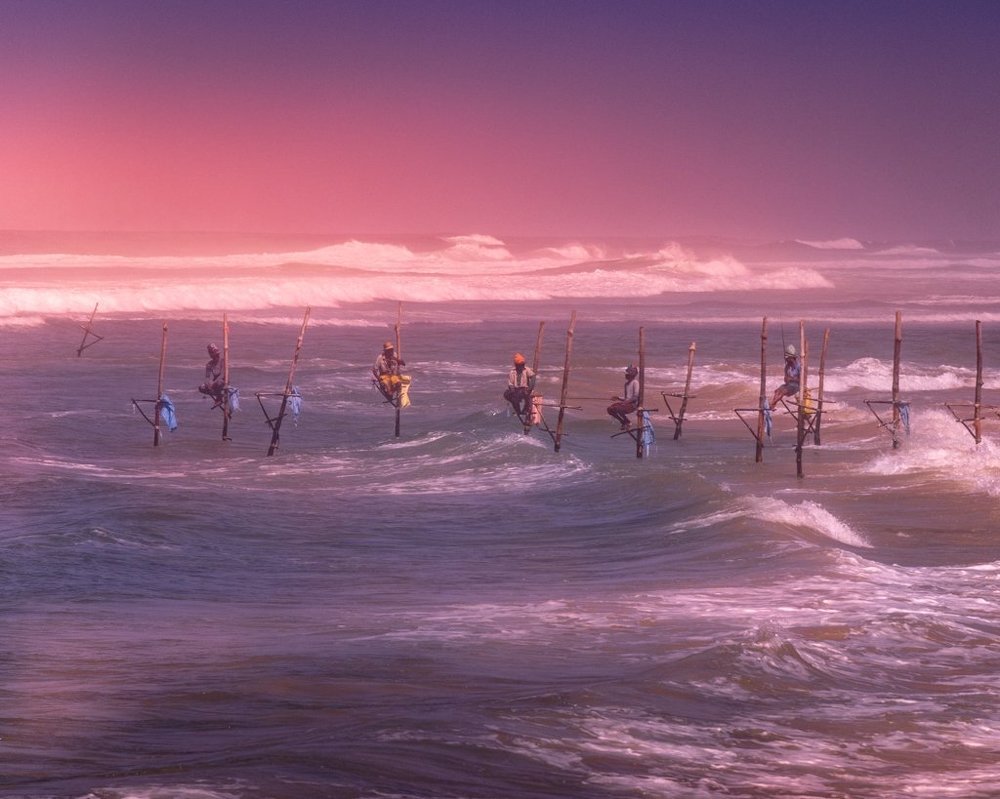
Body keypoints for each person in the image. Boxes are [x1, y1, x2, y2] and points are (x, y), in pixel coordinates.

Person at [607, 364, 640, 430]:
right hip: (626, 404)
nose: (625, 375)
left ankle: (627, 422)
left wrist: (626, 402)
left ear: (632, 374)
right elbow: (627, 398)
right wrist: (618, 398)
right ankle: (624, 422)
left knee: (618, 408)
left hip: (632, 405)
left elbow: (635, 397)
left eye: (627, 374)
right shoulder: (626, 384)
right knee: (610, 409)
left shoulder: (635, 382)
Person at [504, 352, 536, 417]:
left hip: (524, 388)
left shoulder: (526, 370)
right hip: (516, 389)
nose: (521, 366)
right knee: (507, 395)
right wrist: (512, 389)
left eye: (522, 364)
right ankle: (518, 411)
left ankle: (525, 410)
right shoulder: (512, 372)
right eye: (520, 365)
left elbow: (533, 377)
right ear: (516, 365)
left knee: (526, 396)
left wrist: (530, 388)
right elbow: (510, 382)